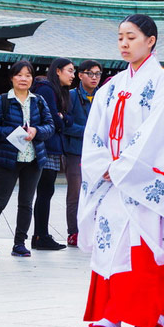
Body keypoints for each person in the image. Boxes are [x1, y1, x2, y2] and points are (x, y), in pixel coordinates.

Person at [78, 15, 164, 327]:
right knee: (112, 242)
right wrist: (105, 166)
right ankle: (112, 316)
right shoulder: (111, 87)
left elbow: (159, 134)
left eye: (131, 37)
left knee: (145, 246)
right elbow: (94, 133)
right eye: (120, 38)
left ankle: (149, 314)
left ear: (150, 40)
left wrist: (122, 167)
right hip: (113, 178)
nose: (124, 44)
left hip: (144, 180)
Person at [0, 60, 55, 258]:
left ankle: (19, 244)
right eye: (19, 75)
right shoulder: (1, 100)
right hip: (7, 159)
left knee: (26, 203)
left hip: (33, 159)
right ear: (12, 77)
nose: (23, 78)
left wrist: (36, 131)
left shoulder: (38, 101)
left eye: (28, 75)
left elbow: (50, 126)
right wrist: (13, 132)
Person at [31, 57, 75, 250]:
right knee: (44, 192)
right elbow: (53, 120)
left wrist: (63, 117)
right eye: (70, 71)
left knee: (46, 192)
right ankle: (40, 237)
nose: (73, 75)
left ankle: (40, 236)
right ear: (58, 71)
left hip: (52, 146)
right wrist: (62, 119)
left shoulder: (59, 91)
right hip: (45, 147)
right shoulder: (47, 89)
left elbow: (67, 119)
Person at [63, 59, 101, 247]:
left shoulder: (102, 97)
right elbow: (65, 125)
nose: (94, 78)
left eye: (97, 74)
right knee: (75, 193)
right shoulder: (70, 96)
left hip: (98, 154)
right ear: (80, 75)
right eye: (90, 73)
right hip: (76, 152)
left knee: (97, 192)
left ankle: (93, 231)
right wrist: (89, 131)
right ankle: (74, 232)